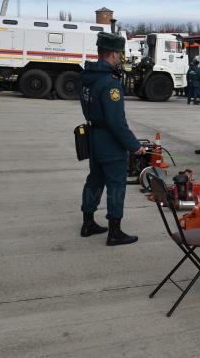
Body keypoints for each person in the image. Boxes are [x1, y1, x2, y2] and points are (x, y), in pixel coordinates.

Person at [78, 32, 145, 246]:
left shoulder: (87, 76)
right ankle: (114, 231)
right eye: (119, 53)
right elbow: (116, 121)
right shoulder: (110, 83)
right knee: (116, 184)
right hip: (109, 141)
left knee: (95, 179)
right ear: (114, 54)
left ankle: (88, 223)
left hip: (92, 138)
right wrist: (134, 146)